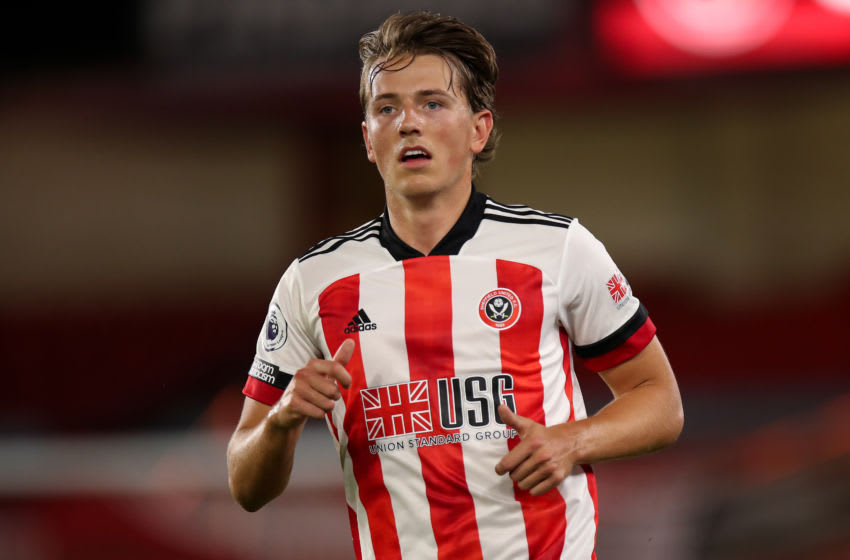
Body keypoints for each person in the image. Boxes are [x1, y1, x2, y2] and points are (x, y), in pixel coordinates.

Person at [227, 10, 683, 559]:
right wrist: (282, 421)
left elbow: (660, 401)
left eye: (432, 103)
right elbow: (246, 485)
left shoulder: (559, 250)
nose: (408, 123)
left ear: (478, 129)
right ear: (369, 139)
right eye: (386, 108)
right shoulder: (313, 282)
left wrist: (571, 440)